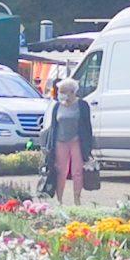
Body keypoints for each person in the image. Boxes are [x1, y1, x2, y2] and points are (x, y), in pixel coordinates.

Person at [39, 78, 95, 206]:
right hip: (60, 141)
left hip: (76, 141)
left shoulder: (82, 105)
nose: (61, 94)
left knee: (77, 171)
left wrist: (89, 146)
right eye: (60, 91)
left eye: (63, 91)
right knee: (60, 171)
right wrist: (49, 146)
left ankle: (77, 198)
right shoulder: (57, 106)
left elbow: (87, 126)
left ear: (72, 91)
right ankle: (59, 200)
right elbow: (53, 126)